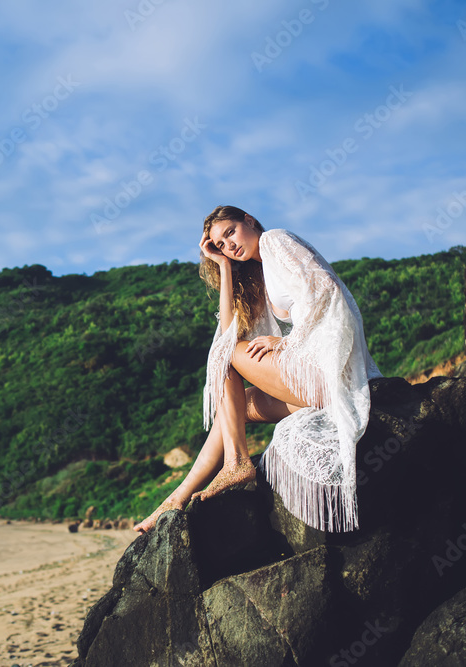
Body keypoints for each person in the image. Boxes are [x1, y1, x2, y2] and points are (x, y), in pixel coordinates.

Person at [133, 205, 382, 534]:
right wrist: (223, 267)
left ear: (248, 220)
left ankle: (236, 462)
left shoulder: (276, 240)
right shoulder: (259, 272)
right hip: (313, 388)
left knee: (227, 357)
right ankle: (176, 498)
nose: (229, 245)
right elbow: (227, 333)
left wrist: (285, 343)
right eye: (220, 244)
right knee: (239, 407)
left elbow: (325, 290)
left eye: (230, 233)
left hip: (327, 375)